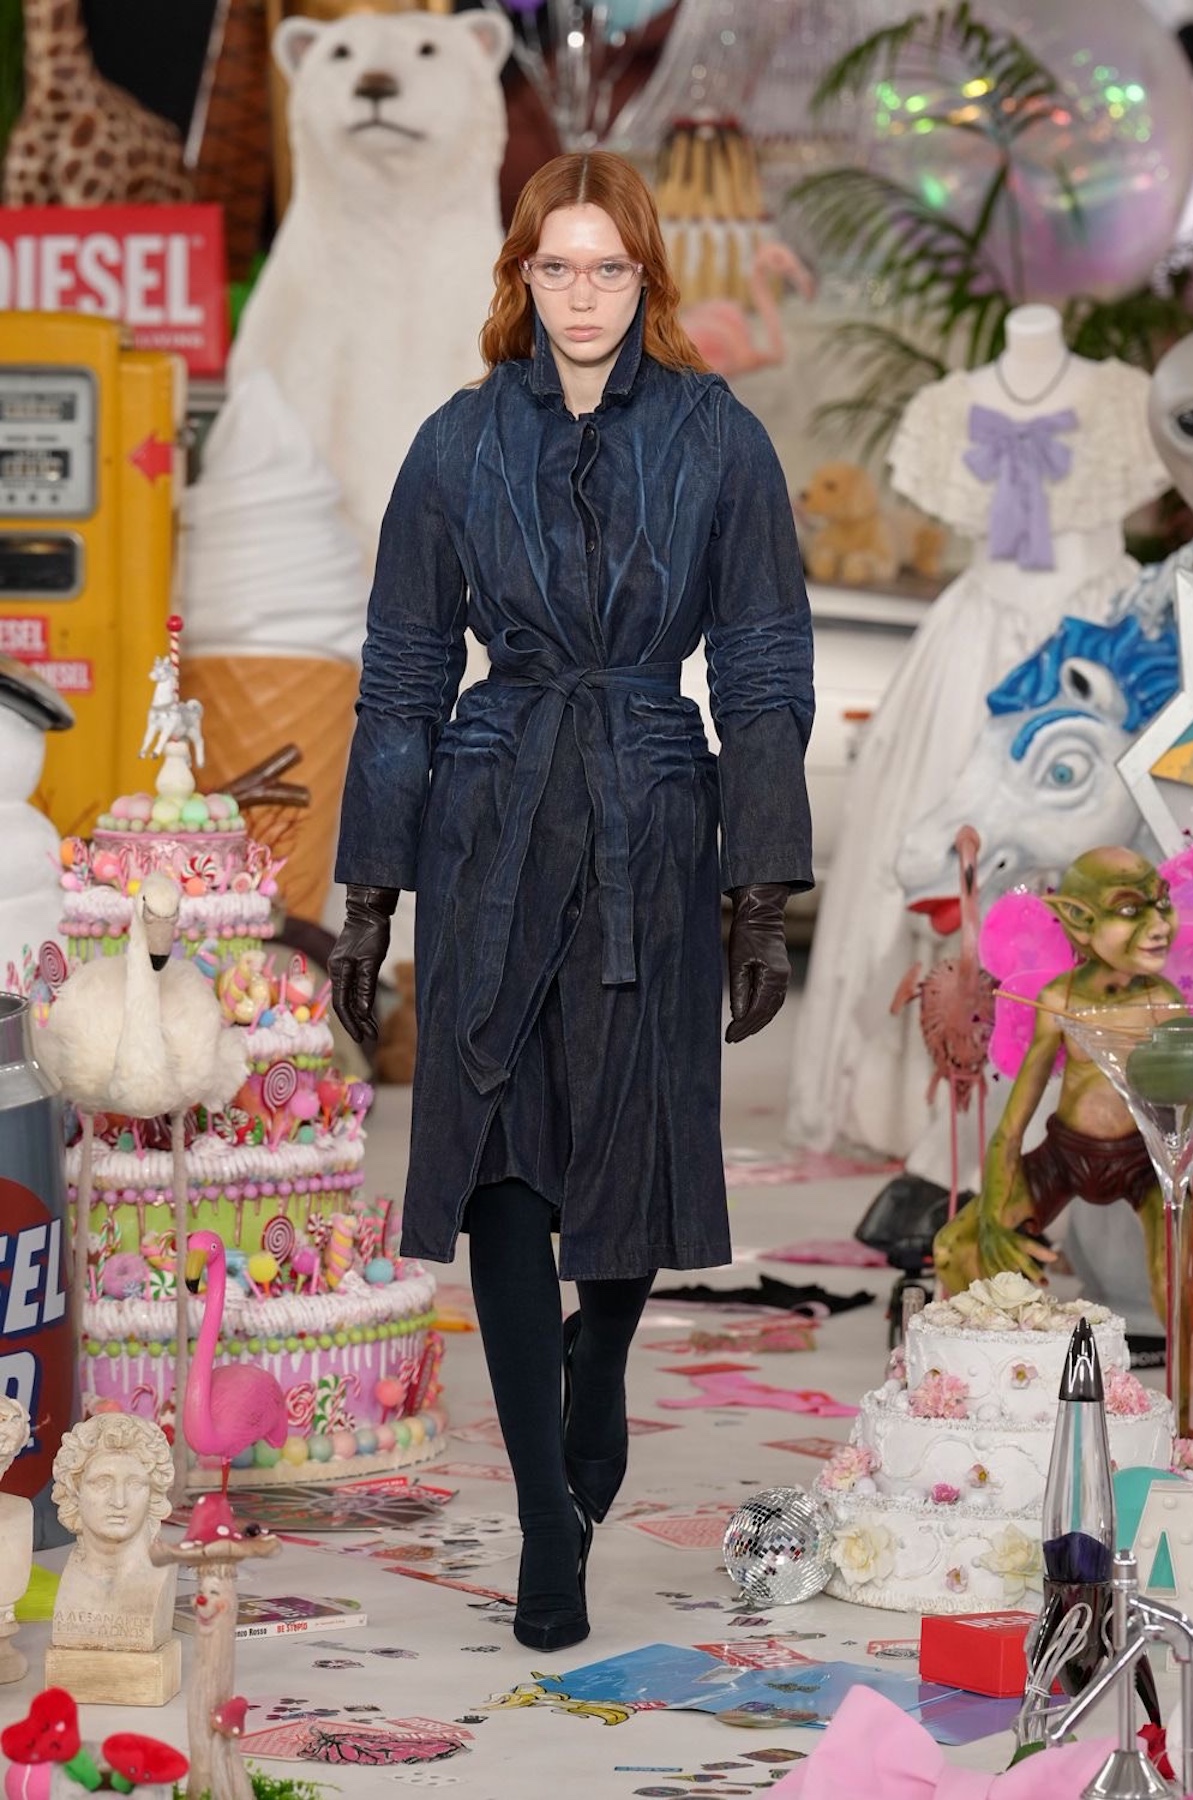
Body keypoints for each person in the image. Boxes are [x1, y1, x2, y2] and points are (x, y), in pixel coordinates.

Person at [329, 150, 814, 1652]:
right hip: (491, 813)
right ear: (521, 277)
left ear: (645, 276)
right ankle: (550, 1515)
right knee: (499, 1146)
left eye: (608, 267)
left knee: (628, 1142)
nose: (583, 294)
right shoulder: (458, 440)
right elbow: (405, 673)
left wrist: (760, 891)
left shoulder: (720, 438)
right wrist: (370, 897)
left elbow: (763, 666)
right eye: (557, 266)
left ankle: (597, 1362)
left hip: (652, 820)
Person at [934, 846, 1174, 1313]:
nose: (1160, 924)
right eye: (1131, 909)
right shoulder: (1059, 1000)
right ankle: (998, 1356)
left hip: (1142, 1161)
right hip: (1064, 1155)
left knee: (1179, 1279)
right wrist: (992, 1218)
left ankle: (1187, 1363)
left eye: (1162, 902)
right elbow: (1011, 1127)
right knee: (955, 1249)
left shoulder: (1162, 1002)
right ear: (1079, 921)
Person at [50, 1412, 176, 1653]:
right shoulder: (72, 1583)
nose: (119, 1501)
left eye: (135, 1484)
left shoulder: (159, 1575)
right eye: (102, 1483)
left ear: (153, 1492)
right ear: (74, 1490)